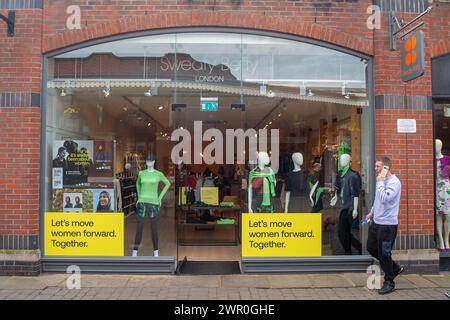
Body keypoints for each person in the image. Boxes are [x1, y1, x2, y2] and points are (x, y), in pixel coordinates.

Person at [366, 156, 404, 295]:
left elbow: (385, 198)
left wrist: (380, 182)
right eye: (375, 166)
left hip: (387, 226)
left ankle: (389, 282)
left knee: (384, 253)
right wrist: (371, 213)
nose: (376, 169)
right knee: (370, 247)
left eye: (378, 166)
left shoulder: (394, 182)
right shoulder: (380, 181)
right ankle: (394, 268)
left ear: (386, 168)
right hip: (377, 222)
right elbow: (378, 200)